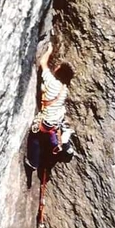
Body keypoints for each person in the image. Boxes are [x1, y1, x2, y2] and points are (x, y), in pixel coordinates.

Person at [26, 42, 74, 170]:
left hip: (45, 122)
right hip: (54, 124)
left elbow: (43, 63)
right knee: (48, 139)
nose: (56, 67)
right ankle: (62, 145)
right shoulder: (64, 90)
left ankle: (33, 162)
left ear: (58, 71)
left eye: (58, 67)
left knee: (34, 136)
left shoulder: (52, 82)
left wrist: (49, 51)